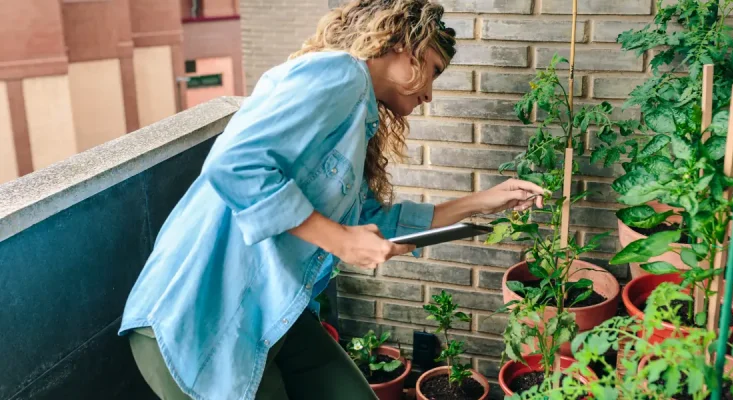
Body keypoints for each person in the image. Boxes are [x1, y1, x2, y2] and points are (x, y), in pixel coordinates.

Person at [118, 0, 546, 399]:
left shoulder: (359, 118)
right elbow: (234, 164)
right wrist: (340, 240)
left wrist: (482, 201)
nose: (430, 94)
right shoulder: (339, 73)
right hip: (198, 319)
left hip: (268, 315)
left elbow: (373, 222)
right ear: (403, 44)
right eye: (433, 70)